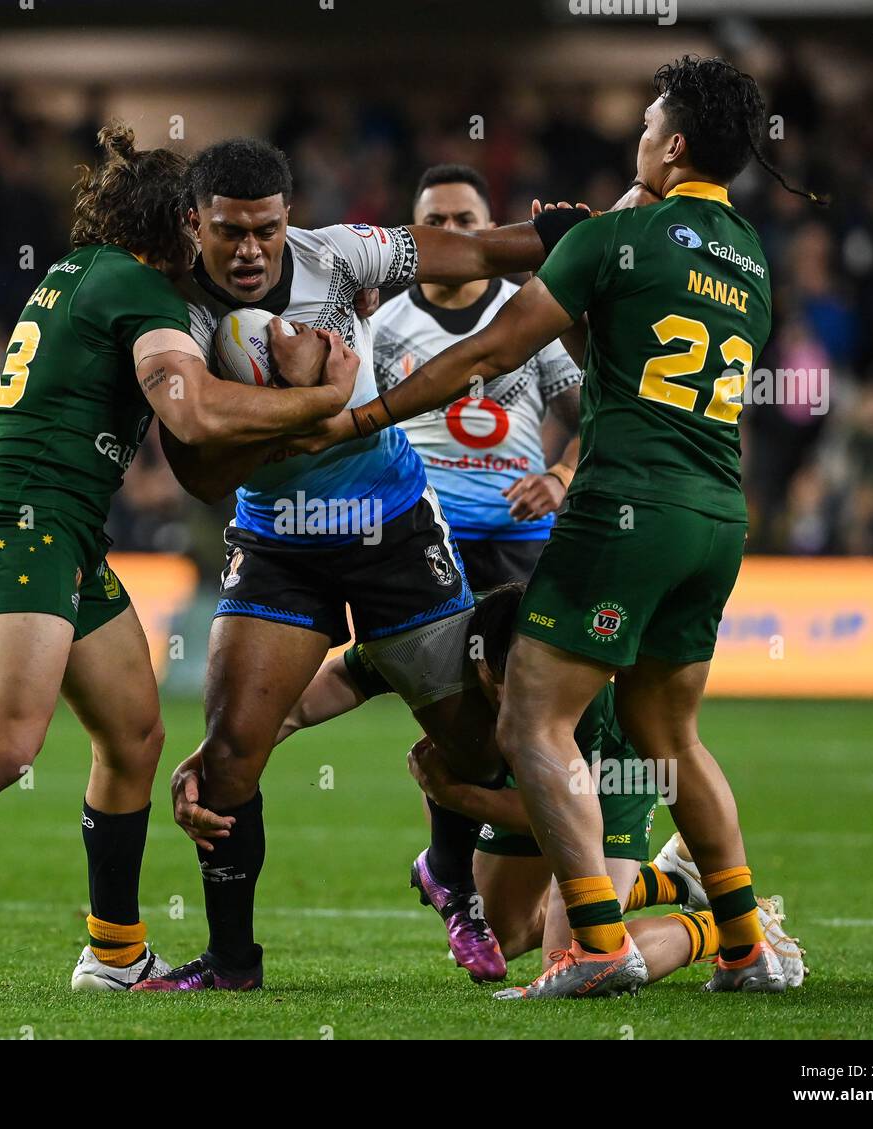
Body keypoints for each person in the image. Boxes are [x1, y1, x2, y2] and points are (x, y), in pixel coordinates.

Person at [292, 56, 825, 997]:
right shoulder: (746, 257)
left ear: (674, 144)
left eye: (649, 124)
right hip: (716, 513)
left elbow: (493, 350)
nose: (639, 137)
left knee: (534, 712)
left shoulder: (617, 235)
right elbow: (615, 352)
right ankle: (743, 943)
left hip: (629, 508)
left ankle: (589, 944)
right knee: (670, 736)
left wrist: (366, 417)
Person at [0, 123, 358, 1003]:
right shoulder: (141, 290)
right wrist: (325, 399)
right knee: (2, 744)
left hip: (61, 530)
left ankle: (114, 950)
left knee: (135, 733)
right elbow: (194, 416)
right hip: (22, 526)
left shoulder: (80, 274)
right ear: (177, 222)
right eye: (204, 227)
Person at [134, 137, 562, 991]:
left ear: (288, 216)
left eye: (264, 229)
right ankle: (231, 963)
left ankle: (450, 877)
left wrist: (571, 235)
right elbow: (197, 462)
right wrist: (315, 399)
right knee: (226, 764)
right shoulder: (175, 311)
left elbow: (476, 249)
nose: (250, 249)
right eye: (229, 232)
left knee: (475, 746)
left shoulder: (339, 254)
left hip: (393, 526)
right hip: (279, 541)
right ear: (195, 224)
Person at [171, 582, 807, 994]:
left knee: (586, 959)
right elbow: (316, 695)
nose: (529, 703)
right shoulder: (437, 652)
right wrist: (225, 753)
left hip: (611, 785)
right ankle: (669, 878)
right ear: (478, 664)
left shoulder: (585, 707)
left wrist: (458, 796)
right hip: (524, 793)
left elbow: (565, 817)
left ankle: (728, 925)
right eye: (511, 686)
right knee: (503, 938)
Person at [372, 163, 582, 591]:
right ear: (414, 234)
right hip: (415, 537)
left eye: (464, 221)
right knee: (413, 659)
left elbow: (593, 418)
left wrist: (560, 476)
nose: (451, 233)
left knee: (516, 660)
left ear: (490, 229)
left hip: (519, 542)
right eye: (435, 223)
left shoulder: (536, 315)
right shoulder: (380, 328)